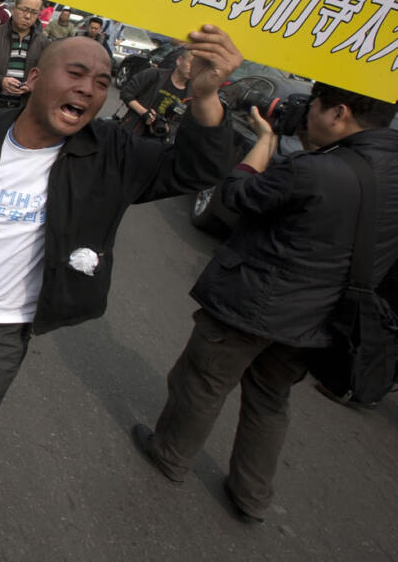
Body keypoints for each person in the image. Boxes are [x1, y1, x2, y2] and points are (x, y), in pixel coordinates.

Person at [0, 26, 241, 562]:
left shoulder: (113, 154)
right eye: (75, 73)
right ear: (32, 80)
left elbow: (196, 170)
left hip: (6, 328)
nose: (89, 88)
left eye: (101, 82)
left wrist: (207, 96)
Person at [131, 83, 398, 524]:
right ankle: (251, 495)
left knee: (201, 382)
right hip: (317, 321)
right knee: (270, 400)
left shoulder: (314, 170)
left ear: (340, 113)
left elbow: (236, 195)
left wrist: (266, 142)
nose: (306, 115)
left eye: (313, 108)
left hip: (253, 304)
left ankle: (170, 455)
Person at [118, 48, 192, 137]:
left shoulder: (192, 94)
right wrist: (144, 113)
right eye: (191, 63)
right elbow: (126, 92)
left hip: (158, 143)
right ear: (179, 60)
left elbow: (182, 123)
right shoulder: (155, 75)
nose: (193, 69)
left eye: (198, 66)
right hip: (132, 132)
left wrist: (168, 129)